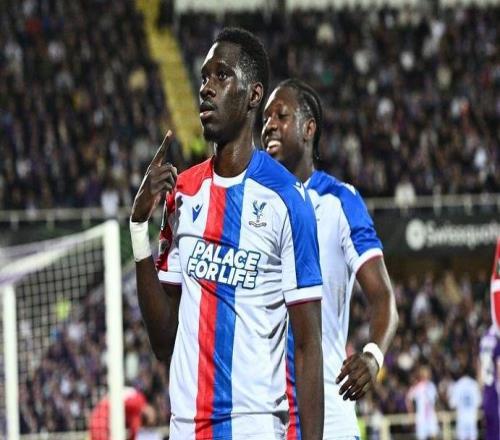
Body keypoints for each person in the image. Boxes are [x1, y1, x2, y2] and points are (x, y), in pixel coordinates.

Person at [130, 28, 324, 440]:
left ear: (253, 95)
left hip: (254, 426)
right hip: (185, 428)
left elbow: (308, 344)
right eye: (204, 77)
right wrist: (138, 228)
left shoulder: (288, 200)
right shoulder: (183, 193)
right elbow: (164, 341)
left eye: (221, 76)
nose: (206, 88)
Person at [261, 78, 398, 439]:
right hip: (258, 418)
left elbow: (383, 297)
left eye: (281, 116)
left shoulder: (340, 201)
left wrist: (373, 356)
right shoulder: (248, 206)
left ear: (309, 129)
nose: (269, 125)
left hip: (328, 416)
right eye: (265, 118)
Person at [89, 387, 156, 440]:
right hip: (104, 413)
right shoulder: (139, 401)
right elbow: (135, 428)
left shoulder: (138, 402)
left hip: (103, 413)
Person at [406, 365, 439, 440]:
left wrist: (436, 411)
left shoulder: (432, 386)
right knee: (422, 437)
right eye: (424, 373)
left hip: (431, 416)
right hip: (421, 417)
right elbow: (408, 399)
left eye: (428, 373)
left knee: (434, 436)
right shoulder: (417, 387)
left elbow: (435, 401)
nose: (426, 375)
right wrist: (410, 412)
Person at [448, 367, 481, 440]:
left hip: (461, 419)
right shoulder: (474, 384)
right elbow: (479, 402)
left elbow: (452, 404)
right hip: (472, 418)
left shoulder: (457, 385)